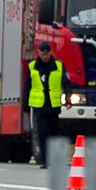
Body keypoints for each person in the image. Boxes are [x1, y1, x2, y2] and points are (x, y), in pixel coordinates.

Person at [29, 40, 64, 168]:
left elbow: (66, 83)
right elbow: (27, 86)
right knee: (42, 133)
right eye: (42, 54)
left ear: (50, 53)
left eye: (46, 54)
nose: (44, 57)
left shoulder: (58, 66)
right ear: (38, 53)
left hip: (53, 106)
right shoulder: (33, 66)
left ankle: (54, 160)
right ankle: (45, 161)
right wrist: (26, 106)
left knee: (54, 134)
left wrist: (68, 99)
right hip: (40, 106)